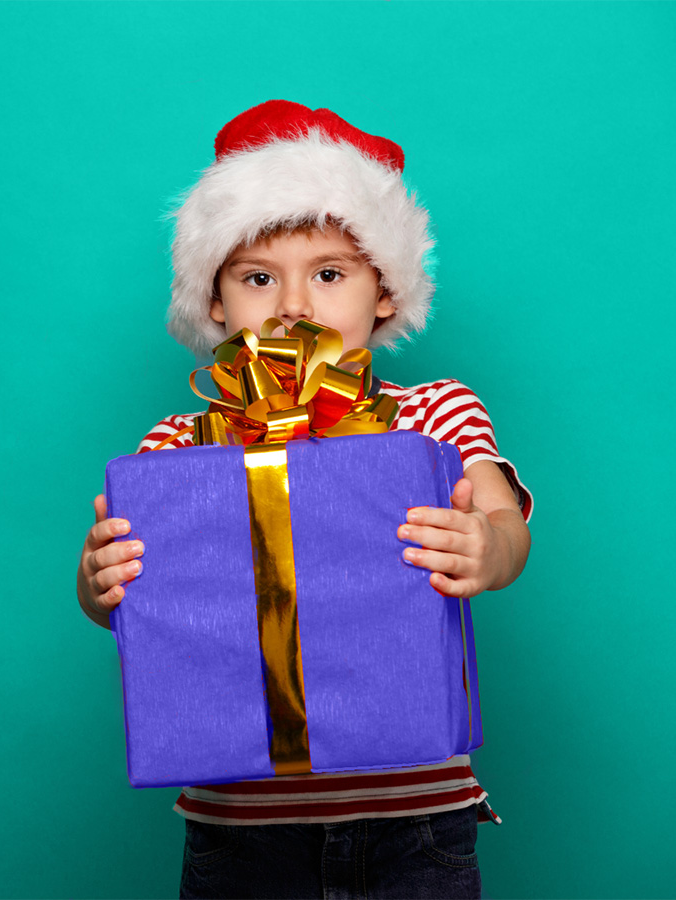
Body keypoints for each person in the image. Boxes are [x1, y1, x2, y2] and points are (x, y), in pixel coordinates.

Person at [75, 101, 532, 899]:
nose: (293, 306)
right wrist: (97, 579)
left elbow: (501, 523)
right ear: (215, 304)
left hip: (416, 819)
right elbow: (117, 598)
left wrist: (487, 548)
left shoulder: (432, 413)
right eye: (258, 278)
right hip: (240, 832)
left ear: (384, 291)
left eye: (329, 273)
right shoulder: (179, 443)